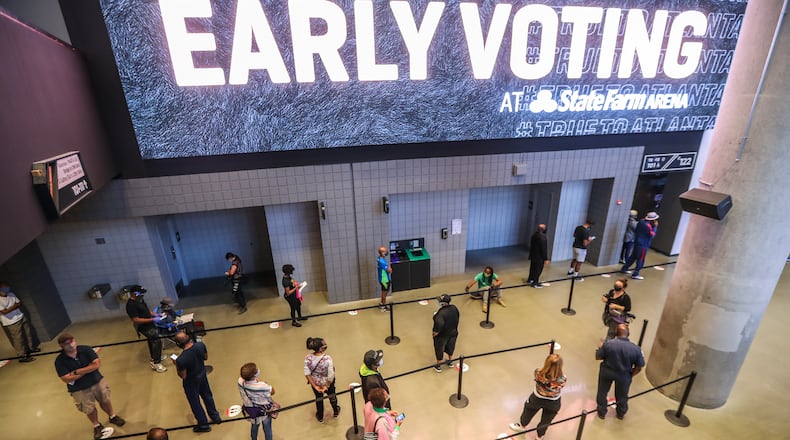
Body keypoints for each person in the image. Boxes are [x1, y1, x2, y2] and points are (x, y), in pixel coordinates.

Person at [54, 333, 125, 440]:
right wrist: (88, 368)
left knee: (105, 400)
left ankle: (112, 416)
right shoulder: (60, 360)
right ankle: (96, 425)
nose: (71, 345)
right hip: (79, 389)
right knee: (89, 409)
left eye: (72, 341)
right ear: (61, 346)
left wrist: (76, 372)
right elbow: (66, 378)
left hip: (97, 381)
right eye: (66, 343)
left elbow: (96, 364)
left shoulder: (86, 350)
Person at [172, 331, 221, 432]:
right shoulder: (200, 345)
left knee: (195, 403)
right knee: (208, 396)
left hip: (191, 382)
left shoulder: (181, 359)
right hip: (202, 375)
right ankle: (215, 417)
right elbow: (205, 357)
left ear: (178, 343)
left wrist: (176, 364)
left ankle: (204, 425)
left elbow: (183, 376)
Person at [509, 354, 566, 439]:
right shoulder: (563, 379)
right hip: (554, 402)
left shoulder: (538, 372)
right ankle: (539, 437)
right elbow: (560, 385)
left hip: (537, 398)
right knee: (546, 421)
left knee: (528, 410)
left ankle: (522, 426)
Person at [595, 324, 646, 420]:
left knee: (602, 392)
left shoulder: (608, 344)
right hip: (624, 375)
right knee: (622, 395)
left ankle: (601, 412)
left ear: (616, 333)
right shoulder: (636, 349)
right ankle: (620, 413)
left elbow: (598, 357)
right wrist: (630, 375)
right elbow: (639, 367)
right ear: (628, 334)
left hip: (607, 372)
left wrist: (599, 347)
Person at [124, 286, 167, 372]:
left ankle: (155, 356)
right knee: (156, 340)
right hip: (143, 326)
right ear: (133, 294)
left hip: (149, 323)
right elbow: (136, 320)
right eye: (140, 293)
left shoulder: (140, 300)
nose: (142, 295)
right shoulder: (131, 305)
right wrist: (152, 319)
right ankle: (156, 363)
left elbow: (147, 310)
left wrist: (156, 315)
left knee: (152, 340)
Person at [0, 282, 40, 362]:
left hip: (20, 316)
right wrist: (14, 306)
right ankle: (22, 356)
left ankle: (30, 349)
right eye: (4, 287)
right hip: (11, 321)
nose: (7, 288)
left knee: (28, 334)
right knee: (18, 339)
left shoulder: (11, 294)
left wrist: (11, 308)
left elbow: (19, 303)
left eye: (7, 286)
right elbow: (4, 312)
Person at [304, 337, 341, 422]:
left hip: (316, 383)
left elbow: (307, 373)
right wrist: (326, 386)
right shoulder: (327, 359)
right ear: (321, 348)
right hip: (328, 383)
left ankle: (320, 416)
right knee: (332, 395)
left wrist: (315, 386)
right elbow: (331, 374)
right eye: (324, 345)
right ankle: (335, 411)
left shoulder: (308, 358)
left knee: (319, 398)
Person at [238, 362, 275, 440]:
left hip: (252, 410)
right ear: (253, 375)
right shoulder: (262, 386)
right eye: (256, 370)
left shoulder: (240, 382)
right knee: (267, 428)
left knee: (254, 426)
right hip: (264, 410)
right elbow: (272, 392)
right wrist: (262, 382)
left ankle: (254, 438)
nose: (258, 370)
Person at [620, 212, 659, 280]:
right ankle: (636, 274)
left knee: (633, 256)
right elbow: (652, 235)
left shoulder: (641, 221)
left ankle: (624, 268)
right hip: (643, 245)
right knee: (641, 259)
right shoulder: (649, 226)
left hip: (637, 242)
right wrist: (655, 227)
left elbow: (637, 230)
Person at [432, 294, 459, 372]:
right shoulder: (454, 308)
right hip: (453, 332)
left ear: (443, 303)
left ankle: (438, 366)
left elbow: (439, 323)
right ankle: (450, 362)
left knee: (439, 349)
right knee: (451, 346)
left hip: (442, 336)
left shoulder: (441, 313)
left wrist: (436, 332)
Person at [377, 246, 392, 310]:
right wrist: (390, 268)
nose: (387, 252)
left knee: (385, 291)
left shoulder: (379, 258)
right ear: (382, 253)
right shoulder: (382, 262)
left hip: (383, 279)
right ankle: (383, 306)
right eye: (385, 251)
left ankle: (382, 303)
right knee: (384, 292)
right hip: (384, 280)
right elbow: (389, 270)